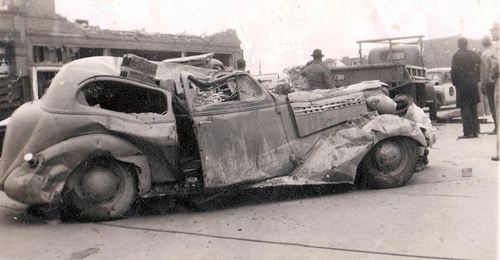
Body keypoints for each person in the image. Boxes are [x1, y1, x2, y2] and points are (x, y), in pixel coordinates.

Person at [451, 37, 481, 138]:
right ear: (467, 44)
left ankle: (468, 133)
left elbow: (454, 71)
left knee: (465, 108)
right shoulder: (473, 54)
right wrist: (477, 78)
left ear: (459, 45)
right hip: (472, 83)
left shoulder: (456, 56)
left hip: (462, 84)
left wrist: (455, 83)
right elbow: (480, 65)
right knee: (473, 107)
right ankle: (476, 131)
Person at [480, 35, 498, 134]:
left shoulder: (485, 55)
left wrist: (483, 84)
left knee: (493, 105)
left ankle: (497, 127)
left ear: (483, 44)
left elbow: (484, 71)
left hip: (491, 82)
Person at [488, 22, 500, 161]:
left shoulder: (497, 47)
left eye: (493, 31)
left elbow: (497, 64)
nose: (492, 34)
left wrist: (491, 74)